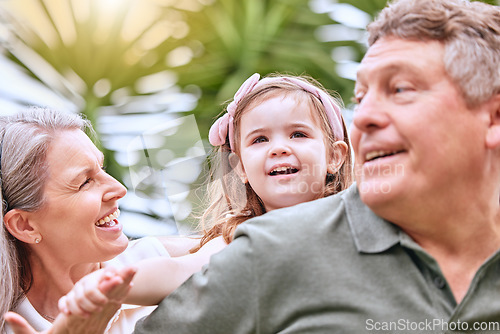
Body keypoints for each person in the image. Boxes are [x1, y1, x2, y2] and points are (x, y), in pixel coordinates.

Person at [6, 0, 500, 332]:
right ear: (239, 166)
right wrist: (107, 294)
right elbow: (171, 268)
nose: (366, 115)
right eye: (363, 95)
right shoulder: (270, 248)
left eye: (402, 89)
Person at [50, 72, 354, 315]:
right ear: (241, 169)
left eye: (298, 134)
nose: (279, 147)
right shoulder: (241, 235)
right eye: (259, 139)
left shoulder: (356, 216)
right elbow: (176, 271)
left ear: (334, 156)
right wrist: (106, 286)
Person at [0, 107, 217, 334]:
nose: (119, 189)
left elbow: (248, 241)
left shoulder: (157, 259)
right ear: (25, 226)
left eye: (101, 168)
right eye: (84, 182)